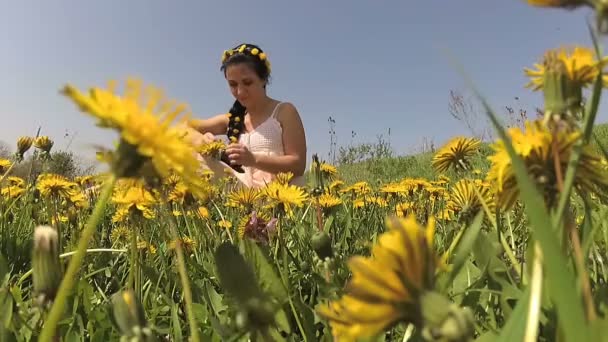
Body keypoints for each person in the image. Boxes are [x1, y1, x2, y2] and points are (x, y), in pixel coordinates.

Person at [182, 43, 307, 188]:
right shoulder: (232, 119)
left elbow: (298, 165)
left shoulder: (284, 111)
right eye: (233, 84)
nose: (240, 92)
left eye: (247, 82)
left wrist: (253, 159)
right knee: (187, 153)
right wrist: (203, 141)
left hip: (280, 194)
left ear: (264, 79)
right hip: (242, 194)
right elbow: (184, 126)